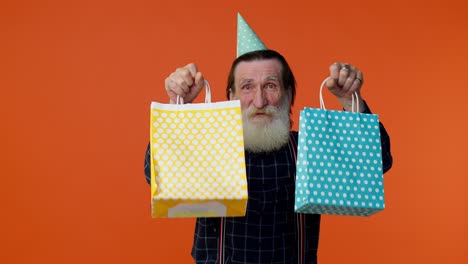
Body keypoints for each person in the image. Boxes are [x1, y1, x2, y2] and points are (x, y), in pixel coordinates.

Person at [144, 49, 393, 264]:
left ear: (288, 94)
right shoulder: (210, 147)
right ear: (231, 97)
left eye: (271, 86)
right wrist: (178, 106)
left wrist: (351, 103)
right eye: (247, 87)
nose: (260, 100)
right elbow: (154, 173)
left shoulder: (309, 147)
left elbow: (377, 162)